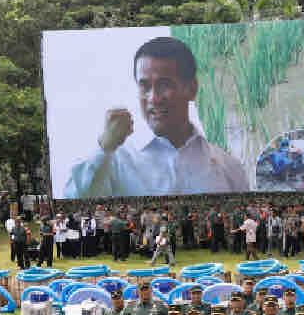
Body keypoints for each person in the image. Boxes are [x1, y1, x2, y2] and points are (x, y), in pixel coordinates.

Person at [63, 36, 249, 198]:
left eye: (164, 85)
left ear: (191, 89)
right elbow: (73, 200)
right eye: (145, 86)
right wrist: (104, 146)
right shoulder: (115, 161)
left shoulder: (229, 169)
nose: (154, 98)